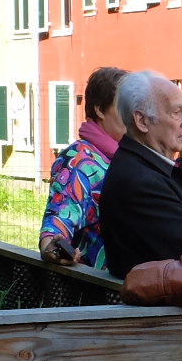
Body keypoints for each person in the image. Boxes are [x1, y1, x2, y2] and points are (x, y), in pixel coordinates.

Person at [96, 69, 182, 290]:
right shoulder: (140, 182)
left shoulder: (155, 168)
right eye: (177, 112)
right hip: (179, 320)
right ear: (142, 121)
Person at [38, 65, 126, 268]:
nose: (133, 115)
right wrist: (51, 246)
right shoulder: (80, 161)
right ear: (100, 110)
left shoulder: (120, 157)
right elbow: (60, 215)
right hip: (94, 288)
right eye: (124, 107)